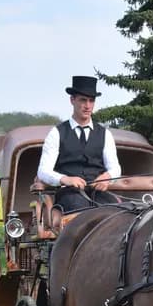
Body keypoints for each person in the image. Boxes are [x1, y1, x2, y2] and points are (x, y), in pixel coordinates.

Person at [37, 75, 122, 212]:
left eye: (91, 101)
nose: (88, 106)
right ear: (72, 100)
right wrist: (65, 179)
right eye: (83, 100)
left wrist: (108, 177)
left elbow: (115, 168)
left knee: (115, 210)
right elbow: (43, 171)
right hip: (69, 194)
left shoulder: (105, 134)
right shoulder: (56, 133)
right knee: (79, 209)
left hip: (98, 193)